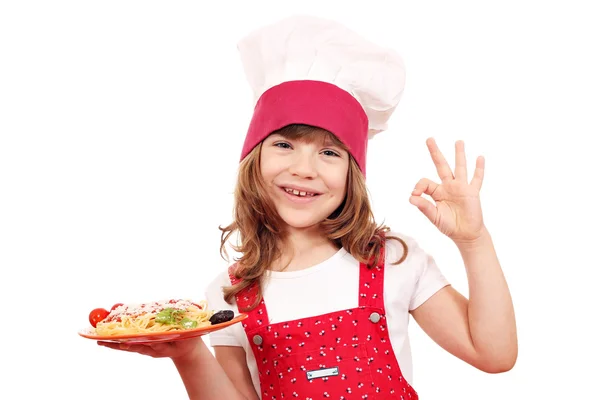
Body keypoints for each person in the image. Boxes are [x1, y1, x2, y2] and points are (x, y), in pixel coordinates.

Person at [98, 15, 518, 399]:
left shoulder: (393, 259)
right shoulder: (229, 295)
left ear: (353, 173)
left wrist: (474, 241)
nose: (305, 169)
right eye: (284, 145)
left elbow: (494, 354)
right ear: (253, 160)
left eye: (330, 153)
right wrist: (188, 354)